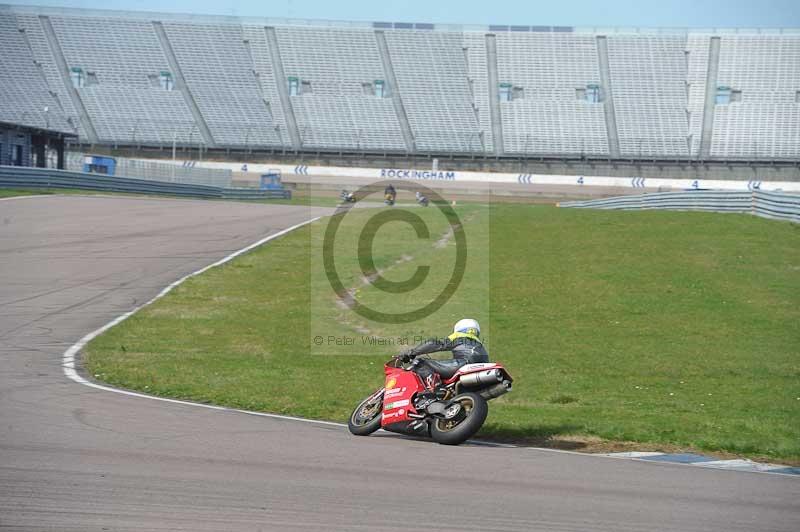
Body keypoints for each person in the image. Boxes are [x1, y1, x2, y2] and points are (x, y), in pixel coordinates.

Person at [400, 318, 488, 400]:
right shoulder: (479, 344)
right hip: (481, 371)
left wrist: (411, 353)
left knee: (420, 363)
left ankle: (436, 388)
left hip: (463, 364)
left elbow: (433, 344)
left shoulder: (458, 336)